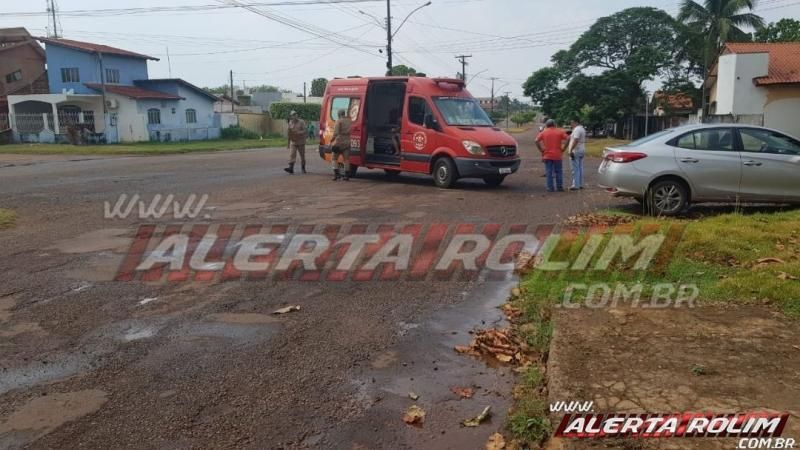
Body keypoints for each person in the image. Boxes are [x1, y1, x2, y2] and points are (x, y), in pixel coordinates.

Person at [535, 119, 569, 192]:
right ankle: (559, 187)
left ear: (547, 125)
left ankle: (550, 188)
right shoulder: (559, 131)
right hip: (557, 155)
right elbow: (568, 138)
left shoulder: (543, 132)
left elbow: (536, 140)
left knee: (549, 172)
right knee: (559, 171)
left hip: (547, 155)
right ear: (554, 124)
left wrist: (541, 149)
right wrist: (564, 148)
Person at [331, 109, 352, 181]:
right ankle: (347, 176)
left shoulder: (338, 121)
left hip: (339, 142)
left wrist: (332, 140)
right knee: (346, 159)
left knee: (334, 158)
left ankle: (336, 175)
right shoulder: (349, 121)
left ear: (339, 114)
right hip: (347, 141)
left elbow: (336, 133)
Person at [568, 118, 587, 190]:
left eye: (571, 123)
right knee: (580, 167)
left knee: (575, 168)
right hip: (581, 149)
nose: (571, 124)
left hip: (576, 150)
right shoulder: (582, 129)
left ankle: (575, 185)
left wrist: (571, 149)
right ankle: (580, 183)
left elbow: (575, 139)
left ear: (575, 122)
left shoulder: (577, 129)